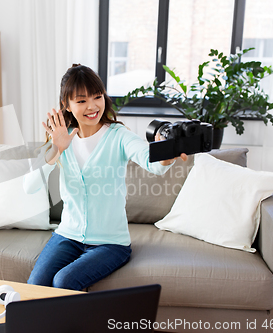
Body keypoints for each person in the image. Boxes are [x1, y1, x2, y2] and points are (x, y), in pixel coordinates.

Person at [24, 64, 187, 291]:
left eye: (97, 97)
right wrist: (56, 150)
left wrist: (166, 156)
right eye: (81, 101)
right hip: (67, 236)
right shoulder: (62, 138)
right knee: (35, 286)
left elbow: (152, 162)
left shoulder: (118, 136)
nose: (92, 107)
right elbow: (29, 187)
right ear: (67, 105)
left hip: (111, 244)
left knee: (64, 281)